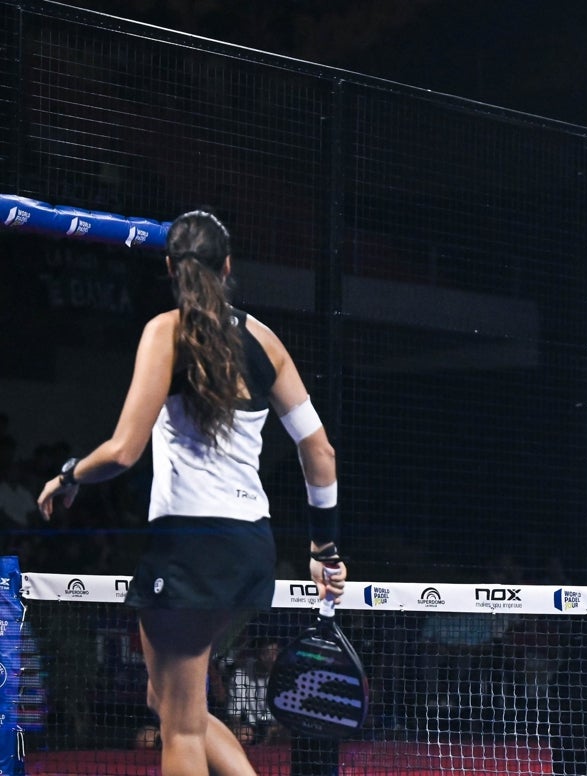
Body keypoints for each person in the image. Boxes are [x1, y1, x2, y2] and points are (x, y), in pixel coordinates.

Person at [38, 210, 347, 776]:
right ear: (228, 266)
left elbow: (124, 450)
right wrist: (324, 551)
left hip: (189, 549)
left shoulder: (166, 331)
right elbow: (320, 452)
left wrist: (69, 474)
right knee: (176, 703)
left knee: (177, 726)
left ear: (170, 267)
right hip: (251, 550)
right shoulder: (266, 341)